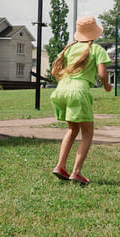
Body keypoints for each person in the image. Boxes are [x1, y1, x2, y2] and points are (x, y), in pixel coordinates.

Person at [50, 16, 111, 185]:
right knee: (87, 133)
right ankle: (76, 172)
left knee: (72, 130)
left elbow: (55, 70)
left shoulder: (69, 49)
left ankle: (60, 165)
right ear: (95, 33)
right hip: (78, 91)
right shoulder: (97, 49)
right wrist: (107, 85)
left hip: (61, 89)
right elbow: (102, 73)